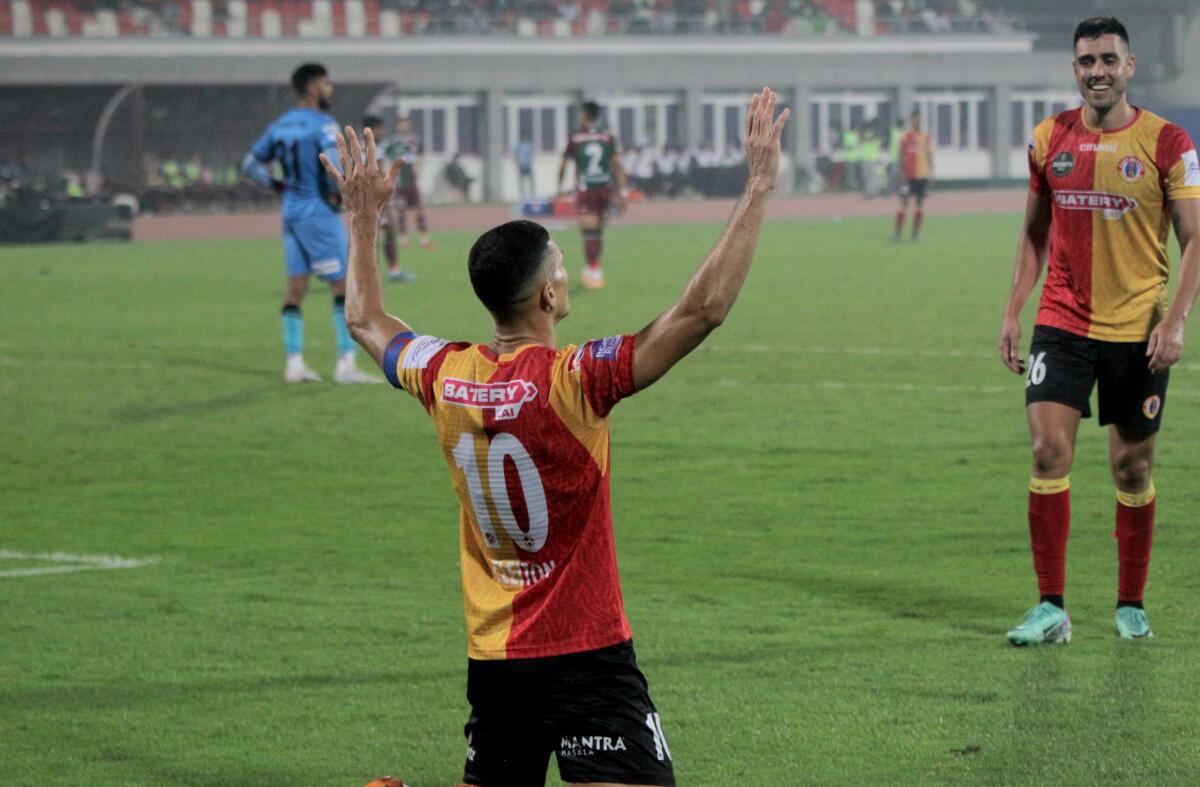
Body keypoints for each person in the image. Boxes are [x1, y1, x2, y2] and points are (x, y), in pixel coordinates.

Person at [321, 87, 789, 787]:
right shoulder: (575, 380)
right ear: (546, 296)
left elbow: (364, 319)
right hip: (584, 653)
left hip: (496, 656)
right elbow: (704, 309)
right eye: (560, 267)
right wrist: (757, 186)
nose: (566, 275)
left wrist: (362, 221)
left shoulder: (444, 375)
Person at [997, 16, 1200, 645]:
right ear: (1075, 70)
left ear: (1129, 66)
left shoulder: (1168, 143)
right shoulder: (1048, 138)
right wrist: (1013, 309)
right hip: (1062, 323)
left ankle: (1130, 602)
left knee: (1131, 471)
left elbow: (1195, 239)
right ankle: (1051, 606)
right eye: (1087, 61)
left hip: (1139, 330)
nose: (1097, 71)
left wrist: (1175, 320)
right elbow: (1034, 234)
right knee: (1046, 452)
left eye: (1108, 60)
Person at [241, 62, 380, 384]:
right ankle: (346, 363)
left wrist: (277, 185)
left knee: (295, 288)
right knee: (344, 284)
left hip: (289, 211)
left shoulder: (280, 125)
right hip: (316, 213)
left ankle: (294, 363)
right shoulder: (322, 125)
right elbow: (333, 166)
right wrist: (342, 196)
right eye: (326, 83)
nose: (330, 88)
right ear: (313, 87)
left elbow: (249, 164)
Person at [557, 100, 627, 290]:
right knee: (598, 232)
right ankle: (595, 270)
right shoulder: (607, 138)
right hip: (605, 188)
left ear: (586, 115)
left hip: (587, 188)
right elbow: (618, 166)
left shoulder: (576, 138)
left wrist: (559, 186)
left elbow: (564, 163)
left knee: (589, 232)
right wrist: (622, 194)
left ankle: (592, 271)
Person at [364, 115, 416, 284]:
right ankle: (374, 273)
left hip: (366, 195)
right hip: (372, 196)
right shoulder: (371, 145)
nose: (384, 132)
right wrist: (385, 190)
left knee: (380, 232)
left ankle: (385, 272)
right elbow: (374, 171)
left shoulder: (361, 144)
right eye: (381, 128)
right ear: (374, 129)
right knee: (380, 232)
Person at [380, 116, 433, 252]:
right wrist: (388, 173)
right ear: (397, 126)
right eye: (402, 124)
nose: (404, 126)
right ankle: (404, 240)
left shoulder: (415, 139)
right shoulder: (391, 141)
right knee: (401, 211)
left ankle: (424, 240)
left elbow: (420, 155)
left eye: (406, 124)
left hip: (412, 181)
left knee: (419, 209)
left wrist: (420, 170)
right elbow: (382, 156)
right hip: (399, 182)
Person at [892, 110, 933, 241]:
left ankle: (916, 233)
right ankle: (897, 233)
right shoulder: (906, 137)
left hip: (921, 176)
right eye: (914, 119)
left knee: (920, 204)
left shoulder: (925, 137)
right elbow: (900, 155)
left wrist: (931, 173)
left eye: (918, 119)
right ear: (911, 120)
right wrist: (901, 172)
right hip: (908, 176)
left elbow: (929, 155)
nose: (916, 121)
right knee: (904, 203)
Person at [515, 135, 535, 201]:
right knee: (523, 182)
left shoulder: (522, 146)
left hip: (526, 165)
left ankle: (531, 196)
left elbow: (531, 154)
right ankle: (524, 197)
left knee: (529, 181)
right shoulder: (521, 146)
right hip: (524, 165)